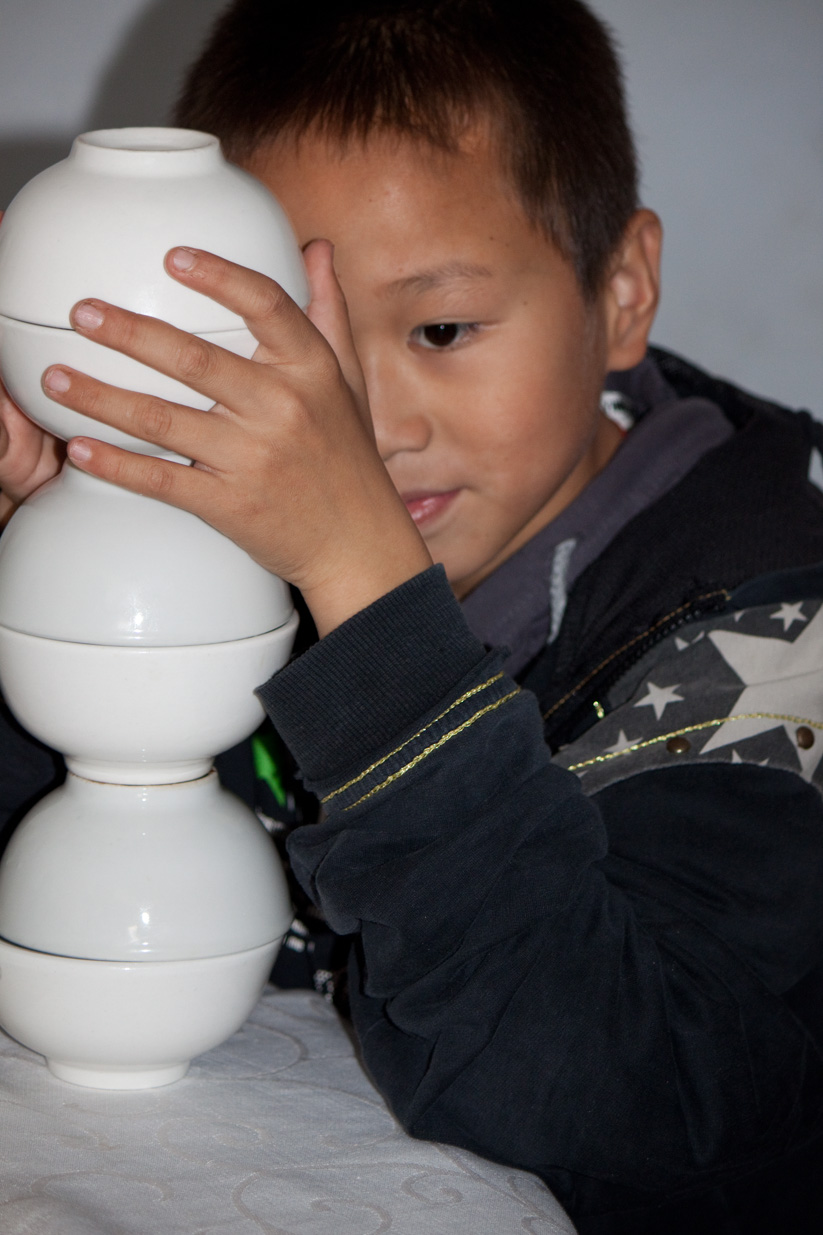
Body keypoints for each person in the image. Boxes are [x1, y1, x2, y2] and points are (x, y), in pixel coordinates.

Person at [2, 2, 823, 1230]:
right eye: (297, 342)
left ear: (621, 289)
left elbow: (629, 1092)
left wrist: (368, 593)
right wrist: (60, 591)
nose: (367, 425)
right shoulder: (229, 534)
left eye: (441, 330)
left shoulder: (773, 629)